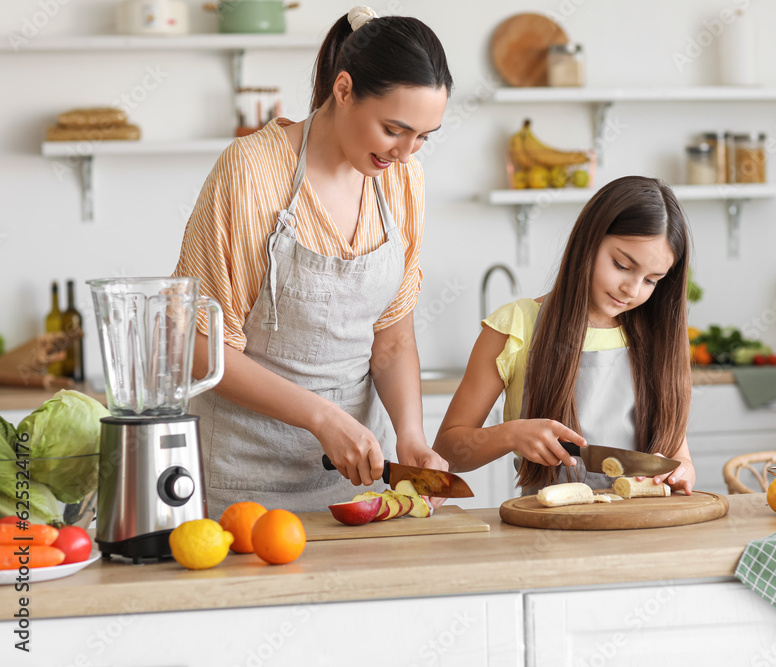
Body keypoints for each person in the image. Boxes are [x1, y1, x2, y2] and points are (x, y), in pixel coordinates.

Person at [172, 6, 452, 517]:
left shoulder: (403, 182)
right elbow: (198, 348)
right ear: (343, 90)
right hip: (242, 483)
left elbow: (392, 338)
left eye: (423, 137)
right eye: (394, 129)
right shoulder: (252, 172)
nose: (407, 153)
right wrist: (321, 417)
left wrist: (411, 438)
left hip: (359, 483)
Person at [434, 176, 696, 495]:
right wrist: (511, 435)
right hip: (544, 532)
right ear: (588, 240)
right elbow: (448, 451)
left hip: (644, 530)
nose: (632, 289)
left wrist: (681, 469)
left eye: (652, 281)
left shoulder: (658, 337)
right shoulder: (515, 326)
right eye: (622, 265)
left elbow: (679, 454)